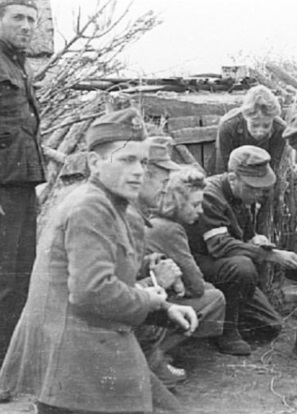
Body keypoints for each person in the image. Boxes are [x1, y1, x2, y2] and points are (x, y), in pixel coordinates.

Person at [0, 107, 198, 414]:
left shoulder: (107, 203)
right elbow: (92, 291)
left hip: (84, 347)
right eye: (126, 159)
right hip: (74, 359)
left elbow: (111, 282)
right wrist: (149, 301)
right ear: (95, 162)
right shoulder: (91, 208)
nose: (138, 171)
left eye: (143, 162)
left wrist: (164, 308)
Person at [186, 145, 297, 356]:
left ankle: (220, 319)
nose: (260, 193)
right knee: (242, 266)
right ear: (233, 178)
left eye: (262, 188)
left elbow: (244, 234)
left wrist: (256, 239)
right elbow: (220, 245)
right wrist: (274, 255)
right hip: (197, 263)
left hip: (221, 265)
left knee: (269, 327)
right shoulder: (210, 196)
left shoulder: (241, 195)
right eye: (254, 188)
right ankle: (226, 330)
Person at [143, 165, 226, 383]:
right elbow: (197, 285)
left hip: (144, 293)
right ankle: (153, 356)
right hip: (145, 300)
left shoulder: (157, 221)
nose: (200, 211)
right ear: (178, 202)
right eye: (196, 204)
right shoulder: (170, 229)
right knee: (214, 298)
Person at [0, 0, 45, 363]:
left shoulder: (19, 65)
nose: (27, 26)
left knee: (18, 275)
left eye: (32, 19)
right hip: (2, 188)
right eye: (17, 18)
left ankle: (9, 362)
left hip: (21, 184)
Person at [213, 84, 287, 174]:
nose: (260, 132)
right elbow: (223, 169)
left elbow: (274, 168)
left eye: (266, 125)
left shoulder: (280, 129)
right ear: (246, 117)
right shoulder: (228, 127)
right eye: (254, 125)